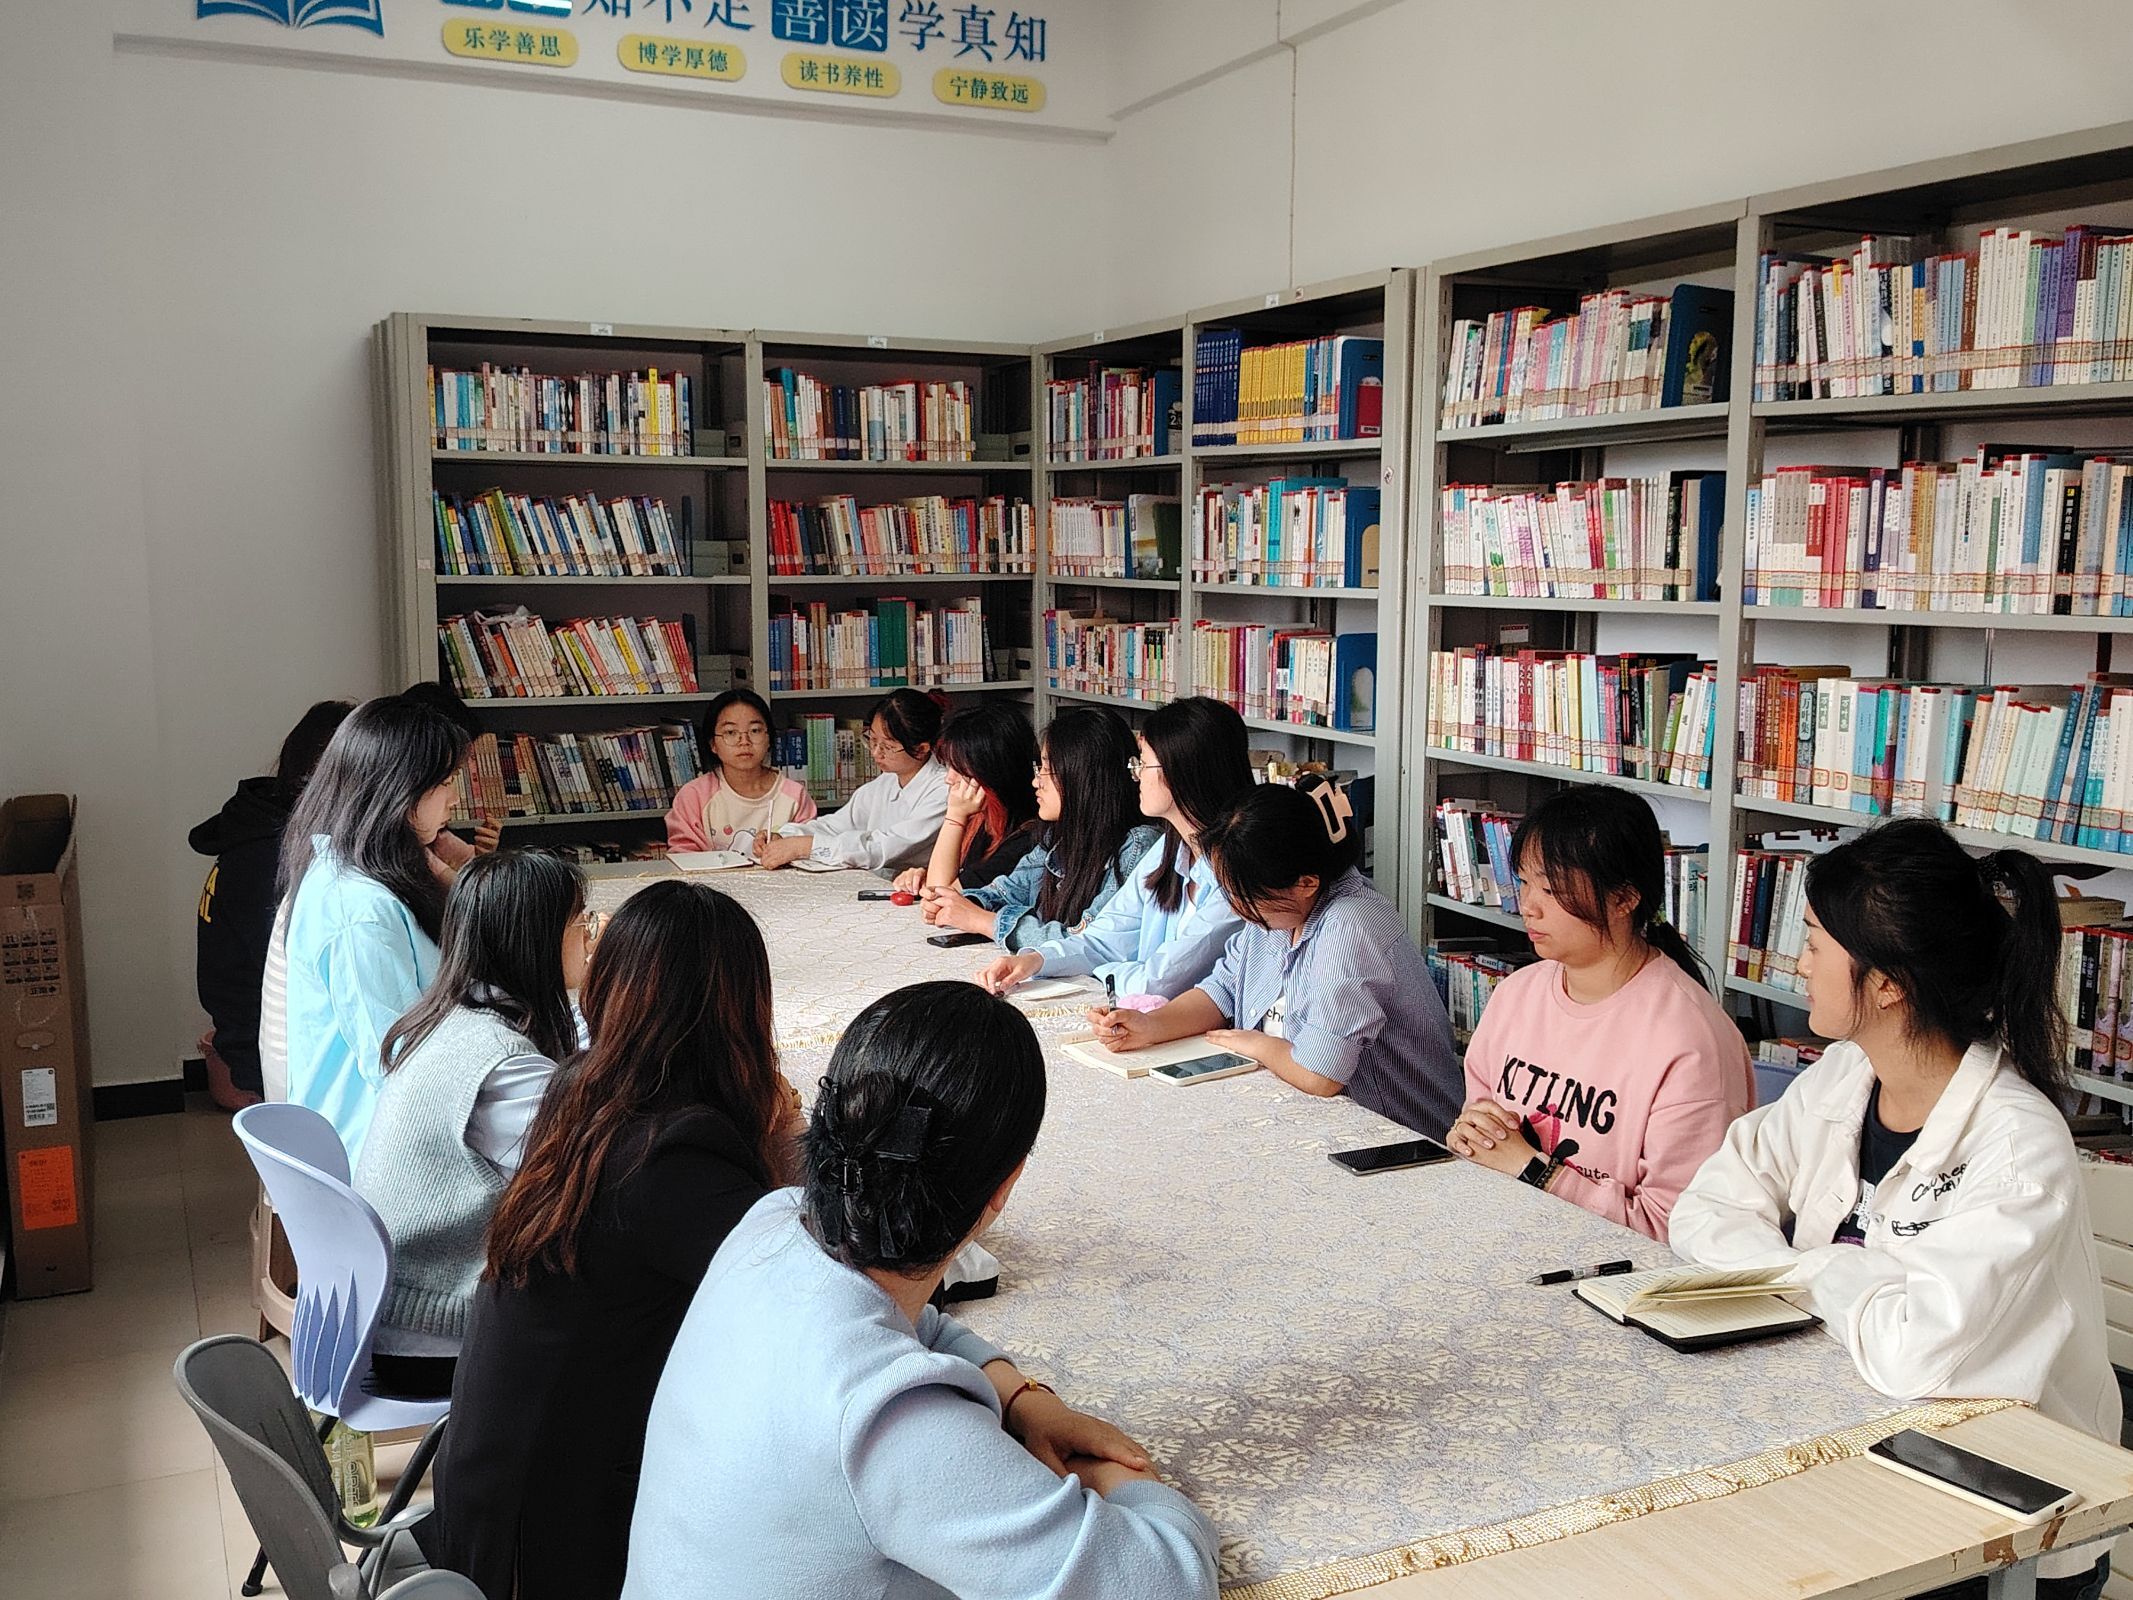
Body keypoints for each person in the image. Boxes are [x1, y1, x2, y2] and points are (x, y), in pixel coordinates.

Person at [622, 981, 1219, 1600]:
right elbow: (1164, 1582)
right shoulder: (893, 1422)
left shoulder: (775, 1224)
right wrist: (1115, 1477)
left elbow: (912, 1324)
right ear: (1004, 1186)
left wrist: (1023, 1399)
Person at [1672, 820, 2119, 1598]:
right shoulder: (1842, 1074)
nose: (1798, 962)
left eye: (1813, 942)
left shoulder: (2017, 1147)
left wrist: (1807, 1272)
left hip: (2000, 1512)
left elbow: (1917, 1355)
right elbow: (1703, 1210)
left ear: (1885, 983)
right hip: (1851, 1441)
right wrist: (1824, 1276)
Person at [422, 881, 796, 1600]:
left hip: (495, 1505)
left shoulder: (583, 1096)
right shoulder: (670, 1160)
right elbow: (818, 1303)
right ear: (743, 1011)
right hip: (553, 1547)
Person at [1445, 784, 1752, 1242]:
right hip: (1501, 1233)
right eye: (1524, 882)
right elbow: (1483, 1130)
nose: (1528, 906)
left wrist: (1535, 1171)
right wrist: (1472, 1137)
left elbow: (1674, 1233)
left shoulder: (1691, 1043)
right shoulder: (1515, 994)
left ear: (1624, 899)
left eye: (1551, 888)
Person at [1087, 775, 1464, 1139]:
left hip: (1396, 1136)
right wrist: (1150, 1026)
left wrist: (1256, 1045)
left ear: (1306, 884)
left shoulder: (1350, 926)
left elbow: (1320, 1075)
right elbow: (1222, 990)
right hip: (1301, 1112)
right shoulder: (1278, 912)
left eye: (1244, 897)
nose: (1236, 908)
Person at [351, 851, 591, 1395]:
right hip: (439, 1334)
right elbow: (589, 1173)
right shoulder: (501, 1067)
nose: (589, 939)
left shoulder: (451, 1021)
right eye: (582, 923)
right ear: (538, 939)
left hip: (408, 1311)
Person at [278, 695, 469, 1162]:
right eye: (445, 783)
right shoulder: (359, 910)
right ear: (398, 791)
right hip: (378, 1151)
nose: (455, 798)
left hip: (395, 1126)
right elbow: (396, 1060)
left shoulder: (361, 867)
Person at [974, 697, 1254, 1001]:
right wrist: (1036, 960)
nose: (1135, 775)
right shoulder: (1169, 848)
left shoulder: (1238, 868)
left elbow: (1159, 981)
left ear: (1183, 770)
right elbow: (1102, 939)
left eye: (1143, 764)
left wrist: (1108, 971)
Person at [190, 698, 353, 1109]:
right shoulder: (273, 858)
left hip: (256, 1037)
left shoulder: (264, 831)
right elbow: (310, 977)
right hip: (269, 1051)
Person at [923, 707, 1161, 951]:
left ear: (1082, 776)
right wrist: (958, 904)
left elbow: (1085, 943)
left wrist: (983, 921)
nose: (1036, 781)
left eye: (1047, 770)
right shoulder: (1056, 837)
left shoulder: (1138, 845)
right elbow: (1007, 891)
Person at [754, 688, 949, 873]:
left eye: (888, 747)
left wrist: (805, 847)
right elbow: (835, 825)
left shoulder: (943, 790)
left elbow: (881, 848)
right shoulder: (885, 782)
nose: (876, 753)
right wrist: (785, 836)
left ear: (921, 749)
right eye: (872, 740)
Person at [892, 700, 1042, 896]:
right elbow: (949, 882)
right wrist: (923, 876)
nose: (949, 779)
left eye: (961, 771)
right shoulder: (983, 820)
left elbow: (940, 896)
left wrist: (955, 817)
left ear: (993, 773)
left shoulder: (1027, 841)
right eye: (949, 766)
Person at [665, 688, 817, 854]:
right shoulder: (694, 796)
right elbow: (684, 858)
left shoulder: (795, 796)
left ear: (769, 739)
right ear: (713, 744)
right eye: (730, 732)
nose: (744, 741)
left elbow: (809, 852)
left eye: (755, 731)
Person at [399, 679, 502, 868]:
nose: (455, 799)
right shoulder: (402, 849)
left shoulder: (439, 839)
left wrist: (482, 859)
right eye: (447, 780)